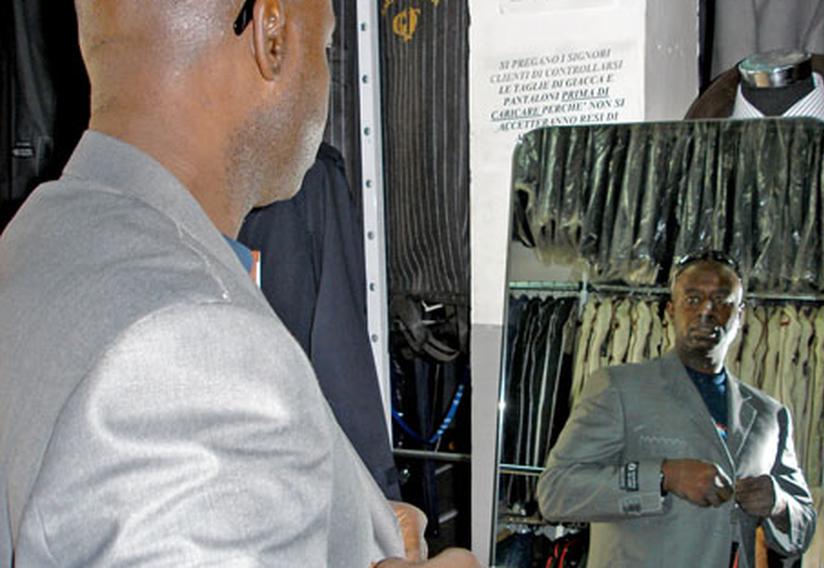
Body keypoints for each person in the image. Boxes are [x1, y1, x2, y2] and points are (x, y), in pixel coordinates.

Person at [0, 0, 476, 566]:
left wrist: (342, 526)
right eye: (325, 48)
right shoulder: (194, 349)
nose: (325, 81)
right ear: (271, 36)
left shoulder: (37, 237)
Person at [537, 250, 816, 568]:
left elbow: (804, 525)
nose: (706, 311)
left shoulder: (770, 415)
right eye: (693, 299)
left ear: (740, 315)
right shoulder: (619, 388)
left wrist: (778, 503)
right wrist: (662, 476)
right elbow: (556, 492)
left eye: (721, 300)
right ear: (671, 310)